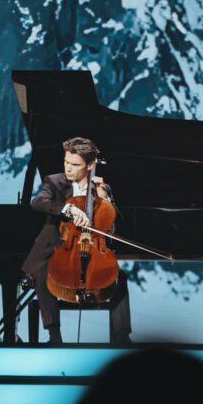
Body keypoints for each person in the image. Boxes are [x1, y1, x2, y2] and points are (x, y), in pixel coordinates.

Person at [21, 137, 131, 345]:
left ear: (90, 165)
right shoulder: (54, 181)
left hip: (92, 248)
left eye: (75, 164)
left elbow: (112, 227)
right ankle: (55, 335)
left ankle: (122, 336)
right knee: (44, 271)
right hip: (57, 248)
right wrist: (67, 208)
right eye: (66, 162)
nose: (68, 169)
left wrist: (104, 199)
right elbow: (39, 202)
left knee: (119, 276)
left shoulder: (101, 188)